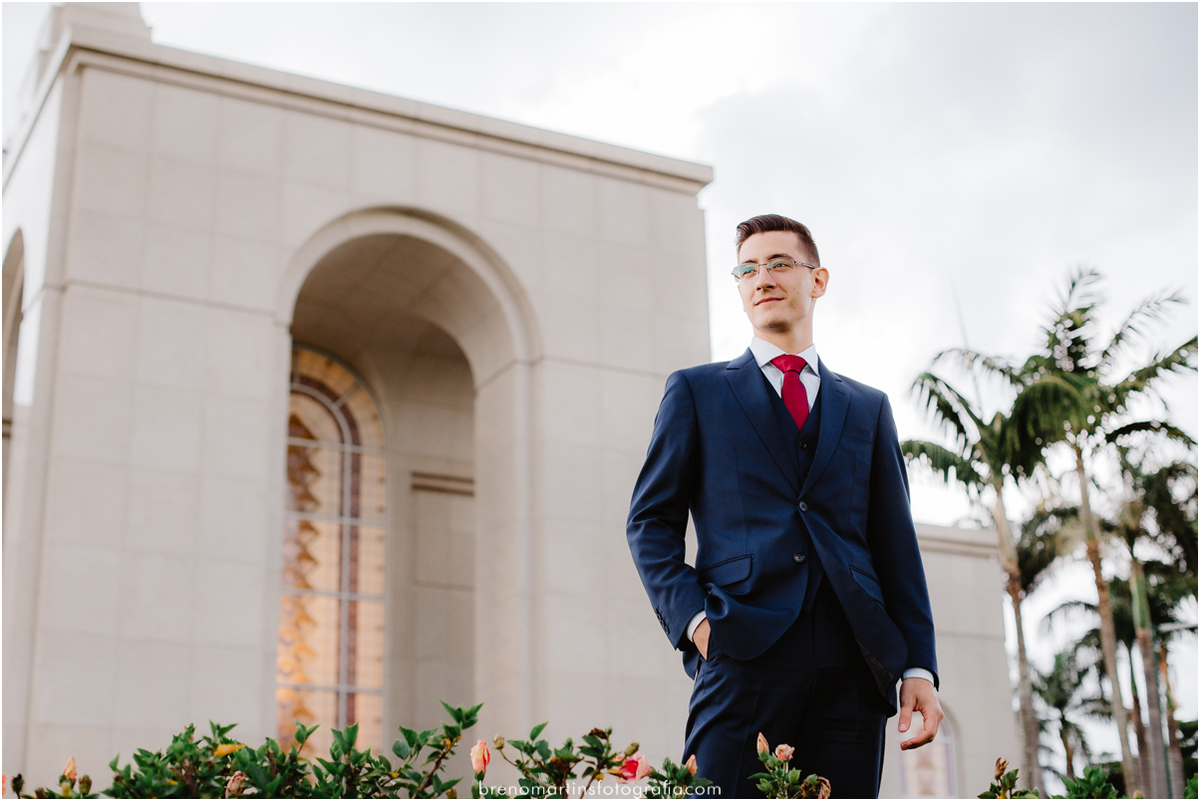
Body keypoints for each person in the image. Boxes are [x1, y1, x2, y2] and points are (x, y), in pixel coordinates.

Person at [626, 214, 943, 798]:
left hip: (853, 666)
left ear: (817, 280)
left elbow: (896, 546)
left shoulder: (868, 408)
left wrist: (918, 666)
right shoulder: (696, 392)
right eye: (747, 269)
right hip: (740, 650)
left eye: (778, 264)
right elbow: (649, 523)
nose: (762, 278)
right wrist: (698, 623)